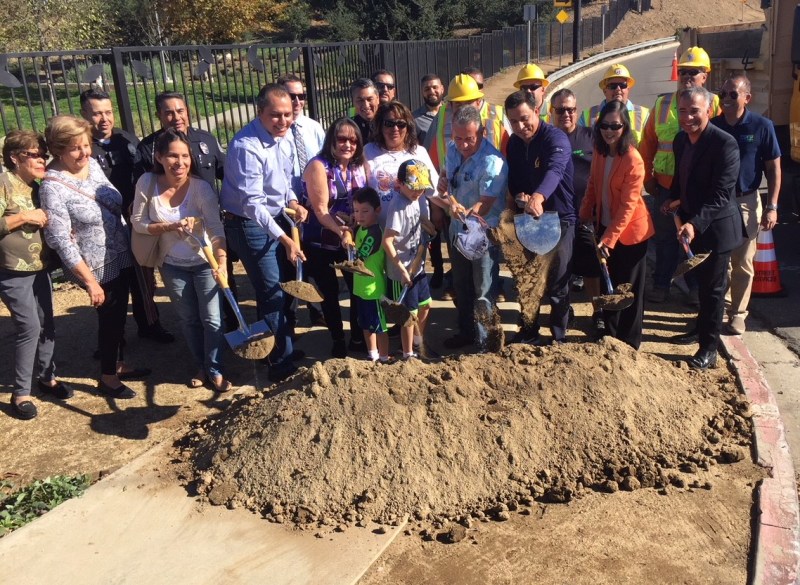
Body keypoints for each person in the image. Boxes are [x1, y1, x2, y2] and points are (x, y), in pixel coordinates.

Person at [40, 115, 149, 399]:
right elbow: (60, 239)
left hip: (120, 250)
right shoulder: (52, 186)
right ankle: (108, 377)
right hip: (96, 264)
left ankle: (119, 363)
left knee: (119, 314)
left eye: (86, 145)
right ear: (58, 149)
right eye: (75, 148)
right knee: (110, 319)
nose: (84, 152)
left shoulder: (90, 165)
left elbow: (109, 196)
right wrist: (90, 282)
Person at [131, 129, 231, 392]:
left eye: (185, 156)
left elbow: (215, 229)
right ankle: (200, 364)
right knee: (188, 319)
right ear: (160, 157)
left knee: (212, 320)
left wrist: (220, 261)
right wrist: (170, 226)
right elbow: (138, 223)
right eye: (173, 156)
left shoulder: (201, 188)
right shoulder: (147, 183)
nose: (180, 162)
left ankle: (215, 368)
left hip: (204, 263)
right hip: (172, 264)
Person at [220, 84, 306, 382]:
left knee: (285, 287)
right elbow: (253, 204)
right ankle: (279, 365)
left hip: (278, 218)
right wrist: (284, 240)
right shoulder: (247, 146)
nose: (283, 121)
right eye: (275, 115)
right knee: (271, 292)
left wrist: (293, 202)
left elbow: (284, 182)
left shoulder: (282, 138)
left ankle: (284, 347)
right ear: (260, 112)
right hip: (248, 224)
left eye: (287, 115)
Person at [79, 88, 175, 348]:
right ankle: (113, 341)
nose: (104, 119)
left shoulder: (127, 140)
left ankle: (150, 325)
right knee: (111, 284)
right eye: (96, 114)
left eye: (108, 112)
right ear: (84, 115)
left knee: (143, 278)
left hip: (134, 221)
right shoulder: (83, 147)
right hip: (102, 228)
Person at [666, 87, 743, 370]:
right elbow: (681, 179)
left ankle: (708, 349)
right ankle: (700, 329)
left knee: (713, 290)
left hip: (715, 230)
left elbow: (721, 195)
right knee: (699, 285)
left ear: (709, 111)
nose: (687, 118)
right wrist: (673, 200)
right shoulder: (680, 140)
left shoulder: (725, 144)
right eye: (683, 111)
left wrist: (694, 224)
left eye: (694, 111)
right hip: (689, 224)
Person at [1, 130, 73, 420]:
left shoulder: (36, 186)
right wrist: (24, 217)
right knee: (29, 326)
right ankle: (21, 394)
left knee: (46, 324)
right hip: (11, 270)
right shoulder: (4, 182)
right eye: (35, 154)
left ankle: (47, 378)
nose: (43, 159)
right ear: (15, 157)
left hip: (39, 266)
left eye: (44, 154)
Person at [639, 46, 720, 304]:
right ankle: (661, 286)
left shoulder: (714, 104)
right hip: (665, 187)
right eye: (683, 72)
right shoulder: (662, 105)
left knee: (695, 239)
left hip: (698, 190)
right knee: (665, 241)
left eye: (693, 72)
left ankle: (696, 290)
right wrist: (648, 179)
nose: (687, 77)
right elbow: (647, 144)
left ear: (705, 76)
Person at [579, 100, 654, 349]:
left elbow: (628, 207)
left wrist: (609, 239)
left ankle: (630, 346)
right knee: (608, 288)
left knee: (628, 291)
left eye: (615, 126)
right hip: (604, 228)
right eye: (605, 125)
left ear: (625, 127)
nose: (609, 131)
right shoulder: (600, 151)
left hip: (631, 236)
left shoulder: (633, 160)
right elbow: (593, 183)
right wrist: (585, 211)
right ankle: (610, 342)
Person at [711, 74, 782, 335]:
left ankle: (738, 315)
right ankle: (720, 308)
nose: (726, 99)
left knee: (742, 262)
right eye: (722, 94)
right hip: (718, 202)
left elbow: (774, 168)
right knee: (720, 262)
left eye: (732, 94)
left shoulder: (761, 126)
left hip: (746, 202)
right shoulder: (714, 126)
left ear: (747, 98)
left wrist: (772, 205)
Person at [432, 106, 507, 350]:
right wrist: (443, 181)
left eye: (469, 139)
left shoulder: (493, 161)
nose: (463, 145)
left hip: (483, 234)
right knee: (462, 286)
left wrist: (465, 212)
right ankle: (466, 332)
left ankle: (487, 340)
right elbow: (448, 179)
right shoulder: (453, 150)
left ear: (482, 133)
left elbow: (484, 205)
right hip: (458, 231)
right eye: (458, 138)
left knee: (484, 288)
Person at [505, 90, 576, 345]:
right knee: (528, 280)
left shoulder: (555, 138)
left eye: (524, 118)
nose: (520, 126)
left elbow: (555, 171)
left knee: (558, 283)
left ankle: (559, 337)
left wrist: (538, 197)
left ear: (537, 111)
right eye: (513, 121)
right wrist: (518, 196)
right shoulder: (513, 142)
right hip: (529, 219)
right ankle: (528, 330)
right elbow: (513, 178)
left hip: (559, 218)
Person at [302, 117, 366, 357]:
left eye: (353, 140)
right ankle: (337, 338)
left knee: (356, 287)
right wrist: (342, 232)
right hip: (321, 239)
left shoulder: (358, 165)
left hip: (349, 238)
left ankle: (357, 336)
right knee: (329, 292)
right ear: (331, 141)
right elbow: (320, 210)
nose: (347, 144)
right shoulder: (319, 166)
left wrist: (355, 225)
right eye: (341, 139)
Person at [549, 88, 603, 335]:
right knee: (562, 270)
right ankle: (565, 312)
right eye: (560, 110)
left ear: (577, 110)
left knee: (592, 269)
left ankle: (598, 312)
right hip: (558, 217)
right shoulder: (547, 139)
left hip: (587, 216)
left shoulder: (591, 137)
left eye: (570, 109)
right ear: (552, 112)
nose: (566, 114)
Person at [278, 73, 326, 332]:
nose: (297, 101)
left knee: (314, 259)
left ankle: (317, 310)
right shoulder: (275, 131)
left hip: (313, 204)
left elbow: (323, 162)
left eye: (301, 96)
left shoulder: (313, 127)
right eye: (291, 96)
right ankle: (291, 318)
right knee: (291, 261)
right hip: (286, 207)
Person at [383, 158, 434, 360]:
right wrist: (402, 270)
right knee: (408, 315)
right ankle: (408, 355)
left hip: (417, 266)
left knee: (426, 304)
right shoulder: (397, 206)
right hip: (402, 270)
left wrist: (428, 227)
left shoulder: (417, 199)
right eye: (414, 188)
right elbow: (387, 241)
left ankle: (418, 344)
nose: (418, 192)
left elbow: (420, 219)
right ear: (400, 184)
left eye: (422, 188)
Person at [364, 101, 438, 225]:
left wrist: (453, 206)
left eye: (401, 124)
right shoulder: (368, 151)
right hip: (379, 233)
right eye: (389, 123)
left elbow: (434, 191)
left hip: (413, 232)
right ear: (380, 126)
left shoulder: (419, 152)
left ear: (408, 127)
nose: (395, 129)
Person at [136, 92, 225, 190]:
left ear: (186, 111)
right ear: (159, 115)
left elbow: (228, 175)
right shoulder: (148, 147)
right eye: (169, 113)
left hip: (206, 203)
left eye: (180, 111)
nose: (177, 118)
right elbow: (142, 186)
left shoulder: (207, 139)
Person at [350, 187, 391, 363]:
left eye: (365, 211)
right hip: (360, 288)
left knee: (379, 327)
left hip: (373, 290)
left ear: (377, 210)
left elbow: (359, 258)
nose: (360, 215)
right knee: (365, 325)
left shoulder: (375, 234)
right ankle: (372, 353)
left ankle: (383, 356)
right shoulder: (361, 229)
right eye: (356, 211)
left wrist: (347, 237)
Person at [578, 64, 650, 144]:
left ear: (628, 89)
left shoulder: (644, 115)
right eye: (613, 86)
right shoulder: (587, 116)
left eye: (622, 85)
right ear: (604, 90)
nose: (618, 89)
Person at [413, 73, 445, 144]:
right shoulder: (414, 119)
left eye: (435, 87)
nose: (431, 92)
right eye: (427, 89)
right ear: (422, 92)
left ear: (442, 89)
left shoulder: (452, 112)